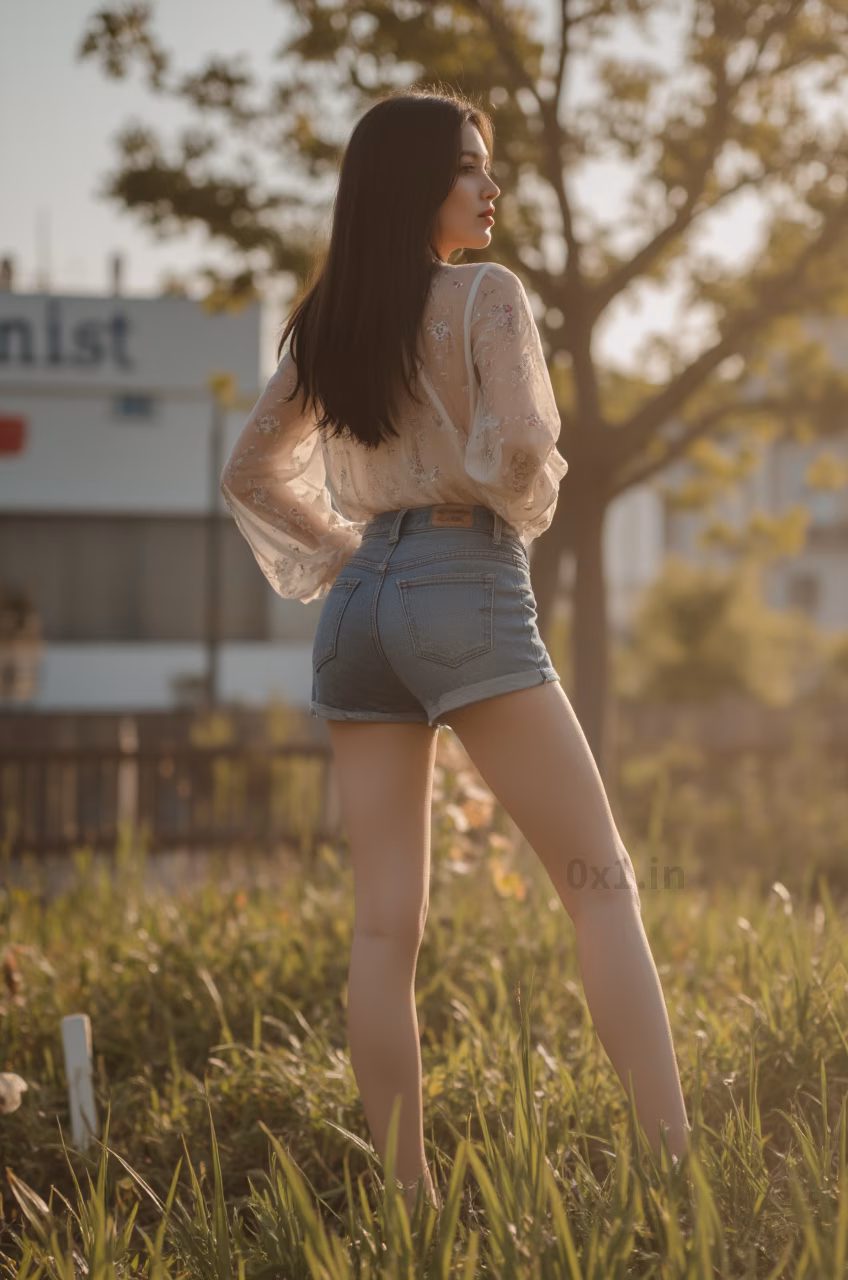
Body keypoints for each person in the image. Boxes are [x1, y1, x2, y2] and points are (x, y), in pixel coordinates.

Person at [220, 86, 690, 1221]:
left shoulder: (331, 318)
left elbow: (247, 471)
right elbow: (524, 442)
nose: (491, 187)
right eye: (470, 166)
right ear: (413, 183)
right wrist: (497, 499)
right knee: (601, 885)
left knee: (384, 922)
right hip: (460, 580)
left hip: (356, 605)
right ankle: (677, 1175)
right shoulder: (485, 294)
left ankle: (409, 1203)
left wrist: (349, 547)